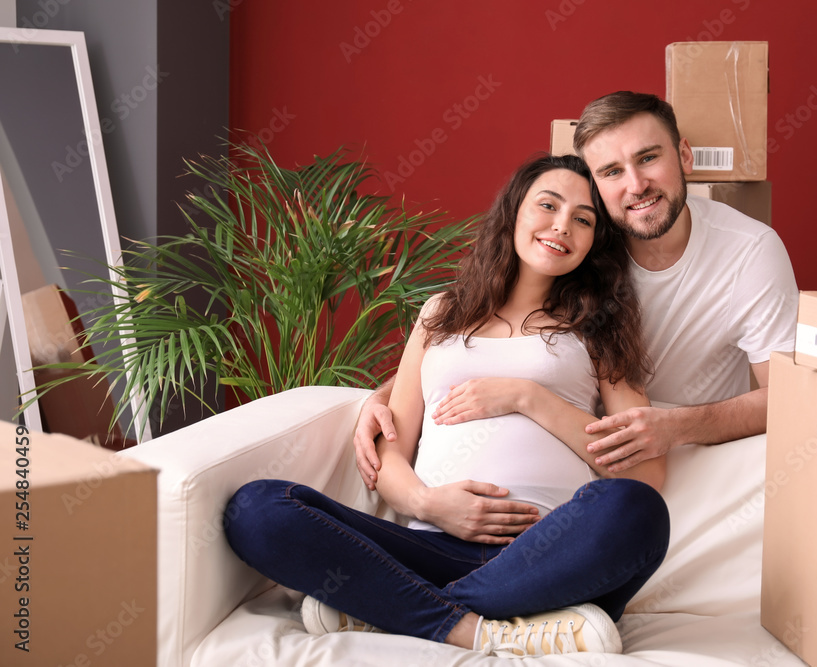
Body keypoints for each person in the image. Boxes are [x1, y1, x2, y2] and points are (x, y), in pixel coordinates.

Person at [223, 154, 669, 659]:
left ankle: (388, 609)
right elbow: (393, 449)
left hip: (547, 554)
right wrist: (425, 504)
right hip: (428, 547)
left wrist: (528, 397)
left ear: (594, 243)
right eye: (548, 205)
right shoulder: (442, 313)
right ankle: (481, 629)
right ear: (514, 212)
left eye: (584, 219)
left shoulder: (601, 327)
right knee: (256, 508)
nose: (562, 226)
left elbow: (646, 471)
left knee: (637, 511)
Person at [355, 91, 798, 487]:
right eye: (611, 171)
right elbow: (495, 336)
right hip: (581, 438)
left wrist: (674, 426)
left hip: (670, 446)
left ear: (684, 155)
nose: (636, 185)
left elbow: (789, 396)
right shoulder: (579, 249)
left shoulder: (750, 251)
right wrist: (386, 397)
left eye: (648, 158)